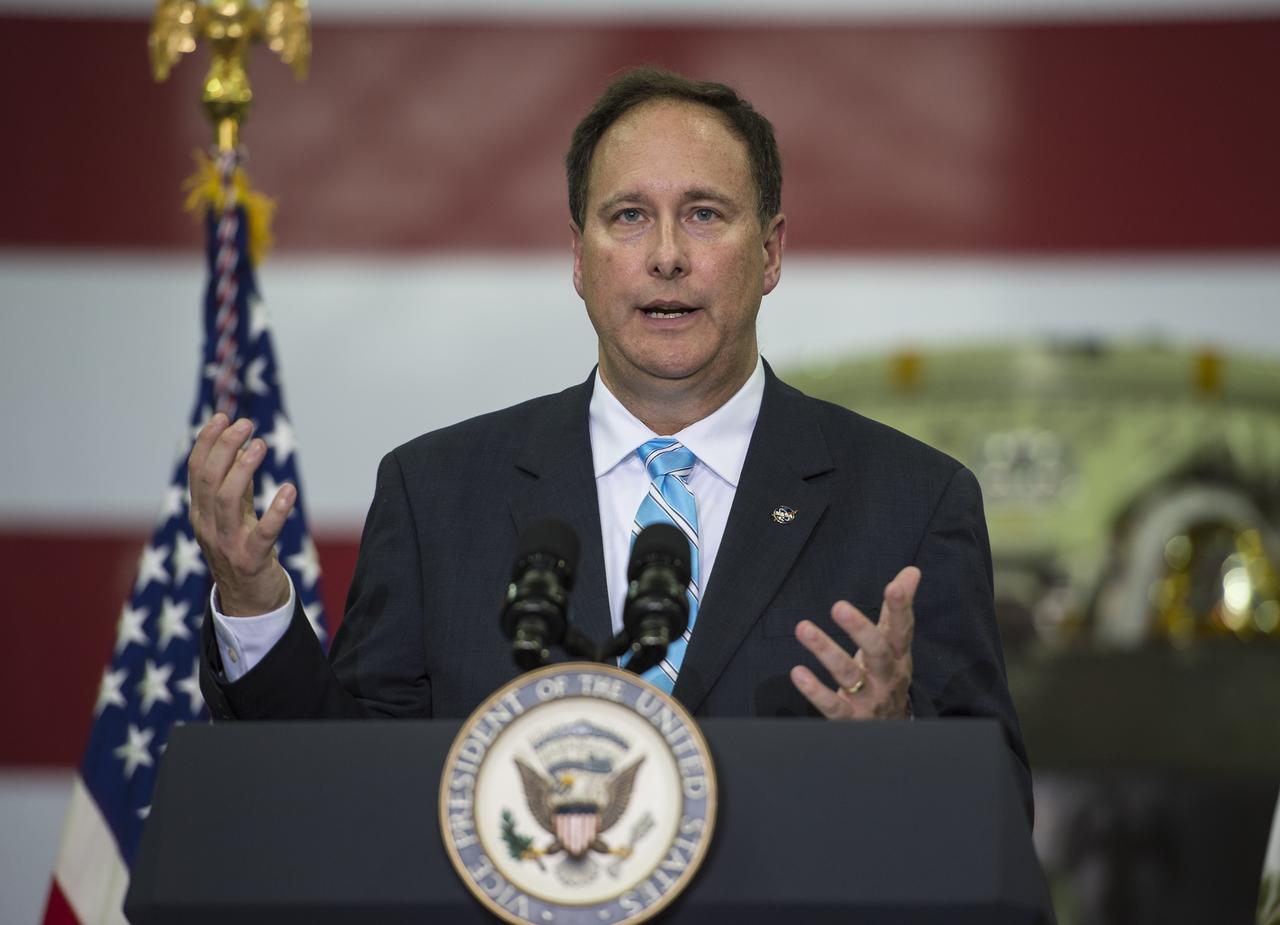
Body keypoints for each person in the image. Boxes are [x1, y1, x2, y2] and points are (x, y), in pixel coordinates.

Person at [191, 68, 1031, 816]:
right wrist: (255, 607)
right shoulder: (436, 494)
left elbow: (999, 815)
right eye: (629, 217)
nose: (666, 256)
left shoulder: (912, 502)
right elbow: (346, 791)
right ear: (580, 259)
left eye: (704, 214)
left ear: (770, 252)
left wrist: (905, 744)